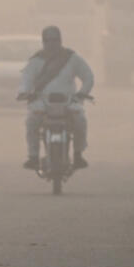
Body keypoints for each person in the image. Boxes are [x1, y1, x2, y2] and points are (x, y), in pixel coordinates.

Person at [18, 25, 94, 170]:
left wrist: (82, 93)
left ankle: (78, 155)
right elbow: (26, 79)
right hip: (42, 101)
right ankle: (33, 156)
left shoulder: (71, 58)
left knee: (80, 119)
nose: (51, 44)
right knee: (31, 120)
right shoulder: (36, 61)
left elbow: (88, 77)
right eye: (48, 40)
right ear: (43, 42)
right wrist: (25, 92)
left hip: (69, 101)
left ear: (60, 41)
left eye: (54, 40)